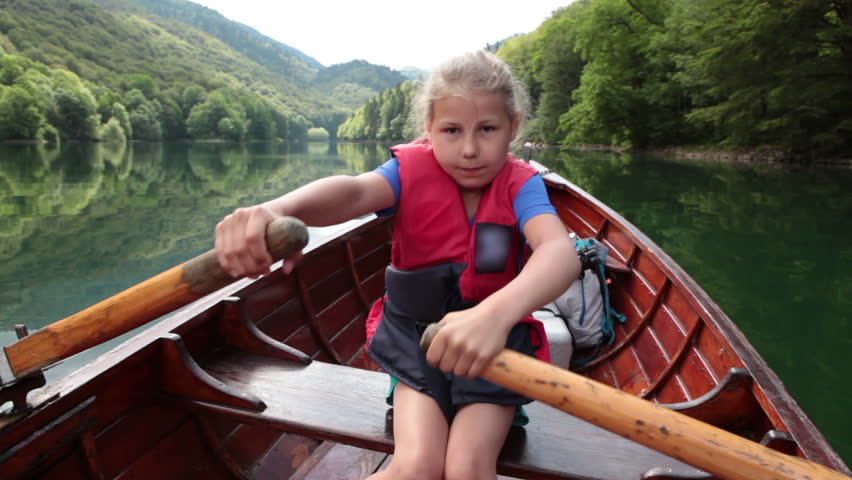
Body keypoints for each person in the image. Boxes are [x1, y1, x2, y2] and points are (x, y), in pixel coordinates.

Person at [215, 50, 580, 480]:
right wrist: (276, 208)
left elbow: (559, 254)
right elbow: (351, 194)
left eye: (487, 129)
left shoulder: (522, 186)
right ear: (428, 129)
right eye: (451, 130)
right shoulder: (408, 173)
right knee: (417, 466)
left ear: (512, 128)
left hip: (493, 350)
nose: (469, 149)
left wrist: (492, 318)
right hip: (415, 344)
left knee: (467, 468)